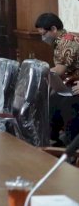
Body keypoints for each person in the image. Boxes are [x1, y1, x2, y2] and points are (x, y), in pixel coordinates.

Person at [35, 12, 79, 145]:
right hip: (72, 81)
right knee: (50, 99)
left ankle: (72, 148)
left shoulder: (68, 41)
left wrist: (40, 70)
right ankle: (54, 140)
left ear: (53, 29)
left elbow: (60, 70)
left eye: (44, 34)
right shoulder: (60, 41)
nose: (43, 38)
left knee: (67, 105)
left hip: (75, 82)